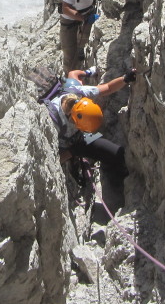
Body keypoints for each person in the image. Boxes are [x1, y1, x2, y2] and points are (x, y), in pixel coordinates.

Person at [46, 67, 137, 217]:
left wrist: (125, 79)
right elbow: (53, 159)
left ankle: (115, 171)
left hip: (81, 137)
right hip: (70, 145)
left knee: (118, 154)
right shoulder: (52, 121)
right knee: (90, 150)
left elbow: (106, 87)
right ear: (73, 120)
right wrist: (71, 152)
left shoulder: (77, 92)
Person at [59, 0, 108, 73]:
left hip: (87, 11)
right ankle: (68, 77)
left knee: (84, 39)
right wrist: (84, 18)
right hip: (69, 20)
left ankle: (81, 51)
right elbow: (65, 8)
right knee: (69, 52)